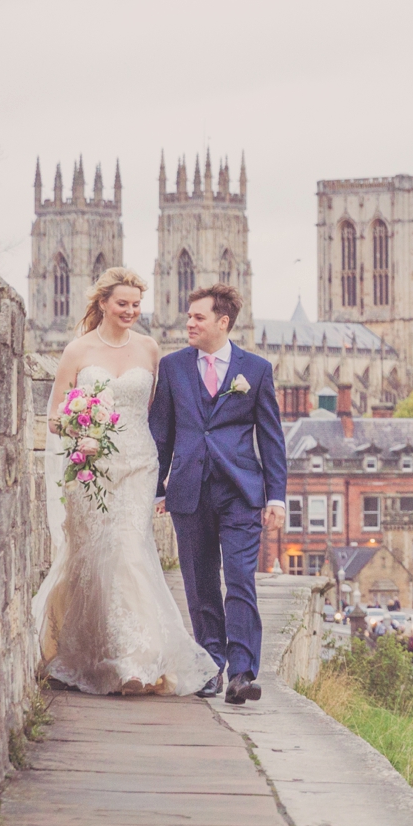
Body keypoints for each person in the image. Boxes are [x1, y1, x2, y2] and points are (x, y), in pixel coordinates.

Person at [32, 269, 219, 697]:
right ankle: (87, 651)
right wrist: (82, 425)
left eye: (137, 304)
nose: (131, 311)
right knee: (94, 558)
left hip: (138, 463)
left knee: (131, 550)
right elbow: (55, 416)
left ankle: (137, 661)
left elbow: (158, 412)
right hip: (92, 467)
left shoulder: (150, 349)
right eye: (123, 304)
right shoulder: (77, 351)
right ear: (102, 304)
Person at [149, 283, 289, 705]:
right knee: (200, 583)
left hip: (240, 491)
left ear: (222, 322)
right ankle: (211, 666)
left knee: (241, 580)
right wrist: (156, 488)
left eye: (198, 317)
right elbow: (161, 434)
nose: (188, 323)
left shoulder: (257, 370)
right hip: (189, 492)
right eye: (189, 317)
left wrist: (276, 497)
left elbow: (272, 438)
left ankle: (242, 673)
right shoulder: (173, 368)